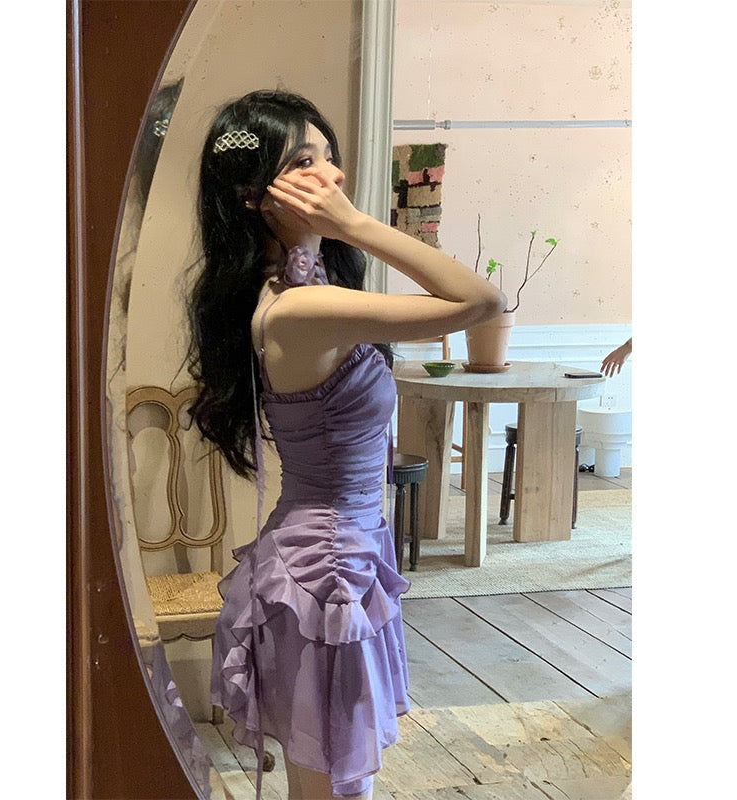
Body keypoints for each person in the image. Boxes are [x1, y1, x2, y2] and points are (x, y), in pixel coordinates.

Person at [185, 89, 506, 800]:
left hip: (341, 554)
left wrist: (337, 235)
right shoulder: (300, 308)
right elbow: (481, 302)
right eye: (304, 163)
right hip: (326, 572)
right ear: (253, 195)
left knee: (330, 780)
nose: (331, 176)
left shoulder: (304, 286)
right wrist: (356, 224)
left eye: (329, 157)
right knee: (332, 785)